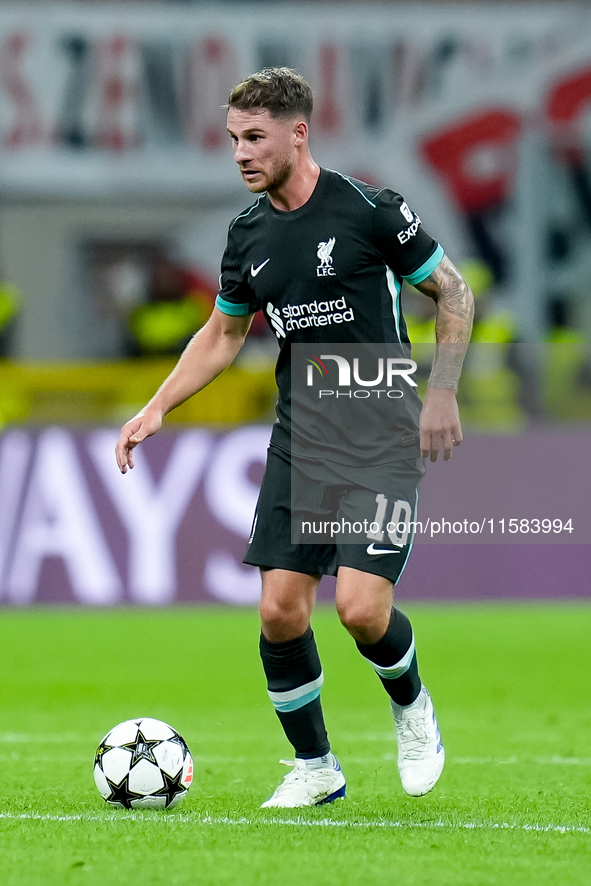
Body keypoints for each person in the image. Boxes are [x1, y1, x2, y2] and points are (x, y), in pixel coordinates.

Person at [115, 67, 474, 808]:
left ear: (296, 132)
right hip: (301, 432)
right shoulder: (248, 233)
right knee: (280, 611)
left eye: (253, 138)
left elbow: (455, 291)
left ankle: (412, 709)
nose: (240, 153)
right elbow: (223, 332)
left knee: (360, 611)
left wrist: (441, 391)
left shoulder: (370, 210)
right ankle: (316, 767)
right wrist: (158, 406)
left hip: (378, 429)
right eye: (232, 140)